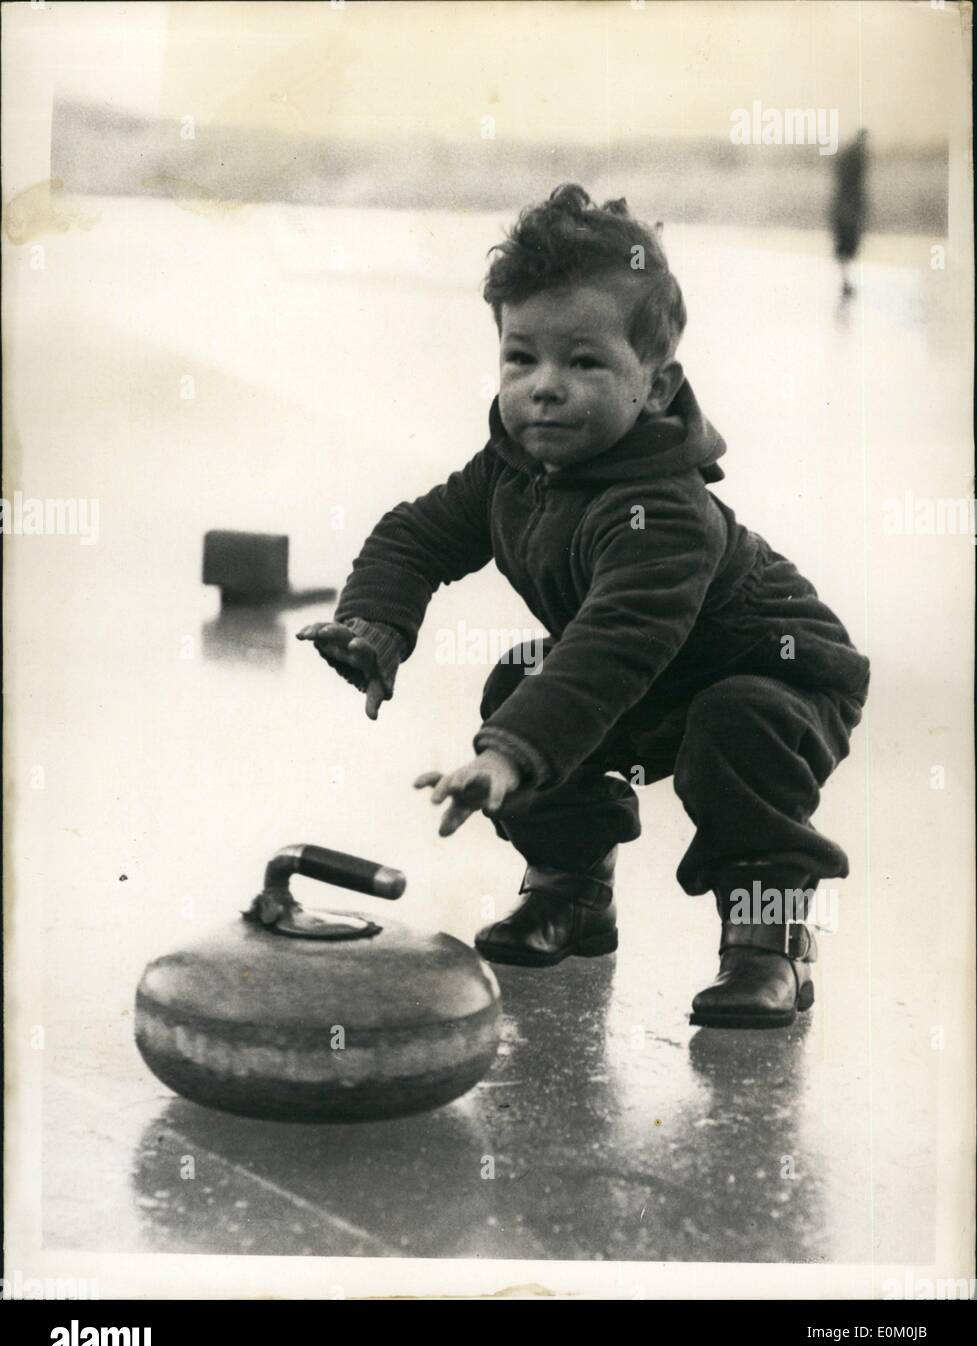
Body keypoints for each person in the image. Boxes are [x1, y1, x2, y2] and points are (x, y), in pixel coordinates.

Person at [298, 185, 870, 1029]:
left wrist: (506, 758)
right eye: (520, 358)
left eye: (585, 362)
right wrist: (376, 625)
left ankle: (767, 943)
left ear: (655, 379)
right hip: (650, 684)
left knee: (731, 724)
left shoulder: (663, 509)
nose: (544, 388)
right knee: (519, 680)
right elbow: (416, 534)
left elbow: (612, 644)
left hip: (774, 674)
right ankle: (570, 892)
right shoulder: (510, 468)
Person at [831, 129, 869, 298]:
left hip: (846, 205)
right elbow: (850, 184)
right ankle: (845, 282)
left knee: (846, 246)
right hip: (848, 206)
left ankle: (845, 282)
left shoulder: (851, 155)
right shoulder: (855, 157)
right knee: (847, 245)